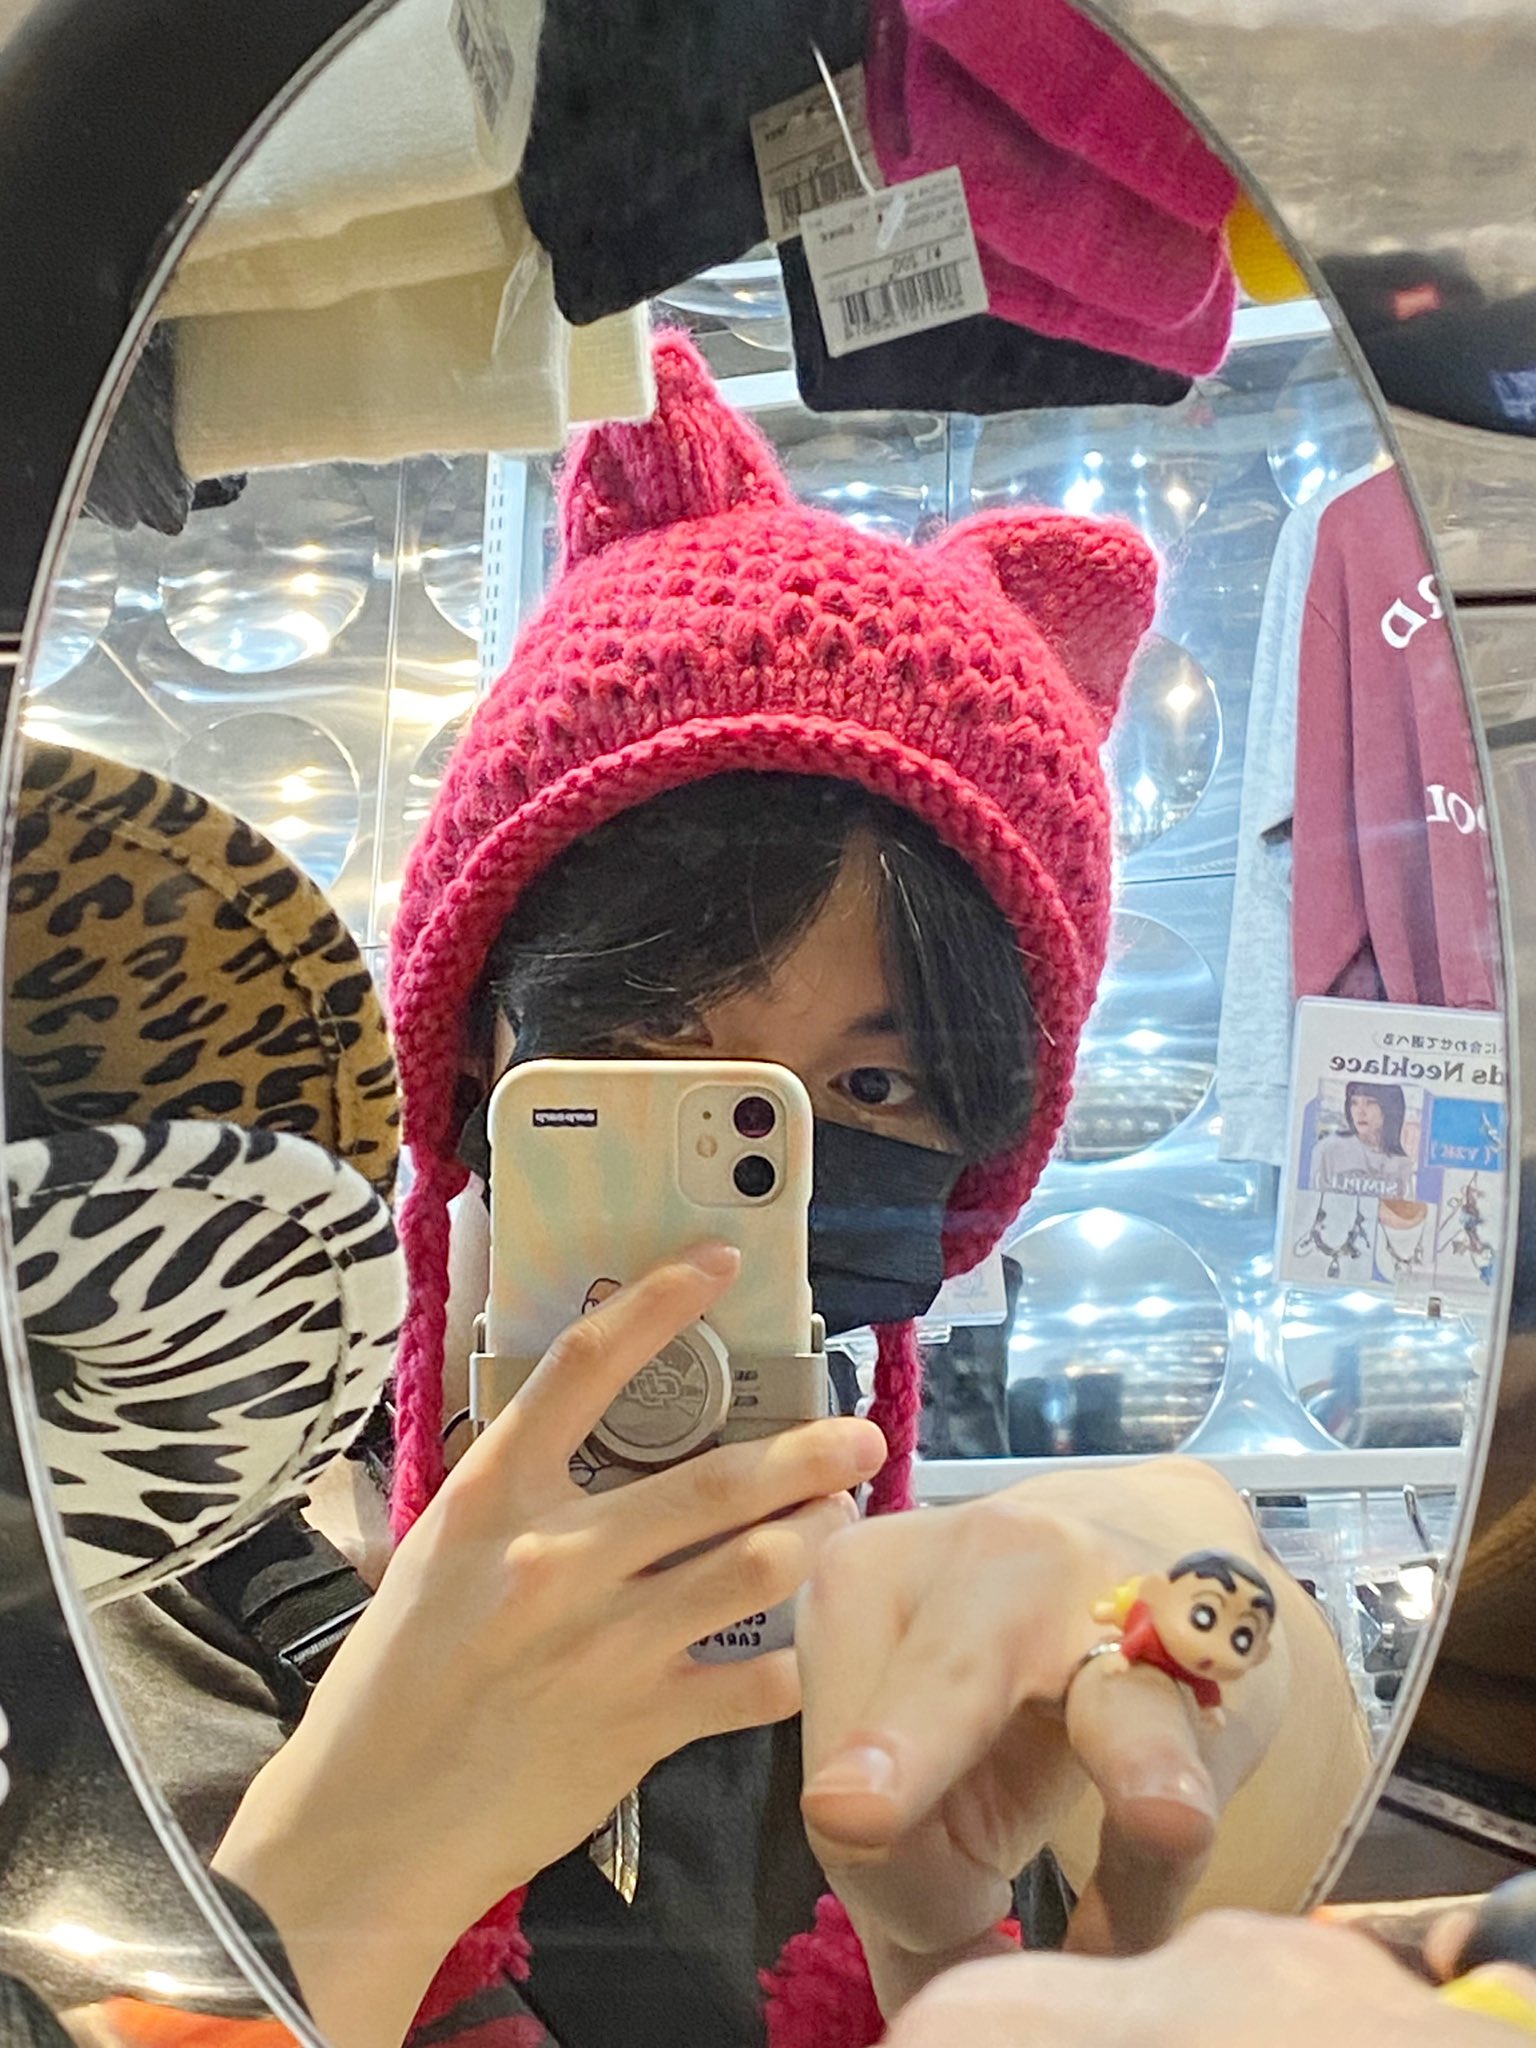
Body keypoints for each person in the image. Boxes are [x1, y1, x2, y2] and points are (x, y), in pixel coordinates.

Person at [211, 334, 1368, 2048]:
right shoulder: (193, 1569)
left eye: (875, 1090)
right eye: (646, 1035)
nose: (740, 1183)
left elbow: (1270, 1835)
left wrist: (1230, 1629)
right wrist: (354, 1850)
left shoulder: (954, 1677)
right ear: (473, 1053)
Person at [1310, 1081, 1416, 1198]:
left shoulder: (1402, 1163)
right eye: (1354, 1103)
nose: (1360, 1112)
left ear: (1390, 1108)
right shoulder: (1328, 1150)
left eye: (1370, 1103)